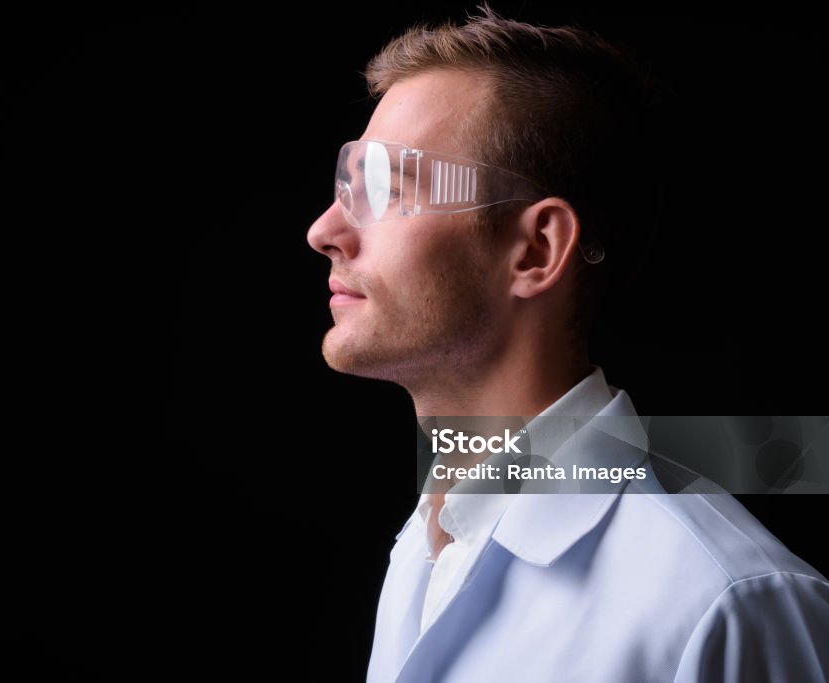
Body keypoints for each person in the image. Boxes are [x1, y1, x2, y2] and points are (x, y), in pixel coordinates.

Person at [306, 5, 829, 682]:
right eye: (346, 185)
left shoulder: (726, 604)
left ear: (536, 249)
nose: (324, 230)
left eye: (385, 188)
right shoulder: (429, 546)